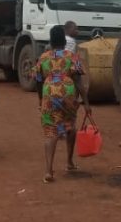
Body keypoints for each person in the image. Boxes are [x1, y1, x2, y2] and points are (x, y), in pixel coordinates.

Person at [34, 25, 91, 183]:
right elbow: (79, 82)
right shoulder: (72, 57)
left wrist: (41, 99)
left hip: (48, 95)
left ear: (51, 40)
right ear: (64, 41)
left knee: (50, 133)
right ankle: (69, 162)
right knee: (70, 127)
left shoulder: (43, 57)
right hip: (68, 96)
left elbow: (38, 81)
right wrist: (86, 103)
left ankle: (48, 171)